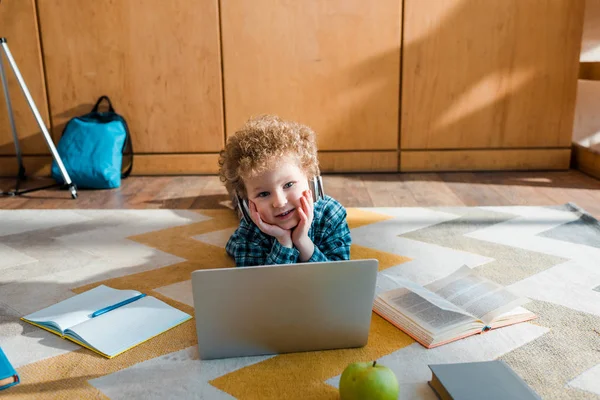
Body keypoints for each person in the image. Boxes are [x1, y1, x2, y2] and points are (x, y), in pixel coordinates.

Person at [218, 114, 352, 267]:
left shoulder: (331, 214)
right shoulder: (248, 231)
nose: (280, 202)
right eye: (263, 194)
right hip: (249, 226)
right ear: (247, 203)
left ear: (310, 179)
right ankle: (235, 201)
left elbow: (335, 278)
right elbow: (261, 287)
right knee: (237, 220)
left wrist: (302, 241)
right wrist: (283, 241)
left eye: (288, 185)